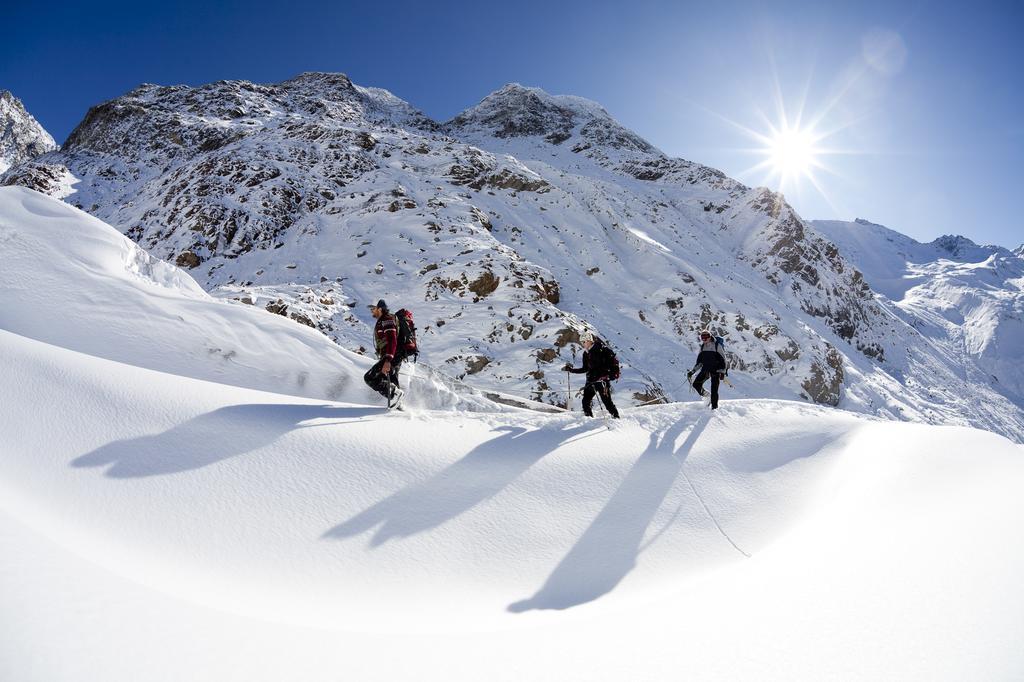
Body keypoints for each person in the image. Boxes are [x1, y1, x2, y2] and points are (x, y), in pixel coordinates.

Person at [564, 332, 620, 418]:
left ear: (589, 341)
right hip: (591, 381)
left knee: (607, 402)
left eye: (584, 341)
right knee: (585, 401)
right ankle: (589, 420)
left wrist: (608, 376)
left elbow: (611, 364)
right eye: (581, 342)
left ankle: (616, 418)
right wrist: (571, 370)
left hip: (602, 381)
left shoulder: (602, 350)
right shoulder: (586, 353)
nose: (582, 344)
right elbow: (585, 369)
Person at [363, 299, 405, 407]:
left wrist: (388, 360)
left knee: (369, 378)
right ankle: (398, 406)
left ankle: (395, 395)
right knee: (392, 379)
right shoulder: (385, 320)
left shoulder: (387, 319)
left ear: (380, 309)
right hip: (395, 355)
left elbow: (392, 339)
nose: (372, 311)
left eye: (373, 309)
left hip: (392, 356)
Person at [687, 329, 727, 410]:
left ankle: (714, 408)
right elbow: (699, 362)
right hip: (705, 369)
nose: (704, 339)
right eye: (702, 337)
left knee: (714, 390)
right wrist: (693, 371)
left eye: (706, 337)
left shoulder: (716, 345)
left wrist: (722, 372)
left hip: (716, 371)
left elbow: (723, 359)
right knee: (696, 384)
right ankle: (707, 396)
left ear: (710, 336)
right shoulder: (703, 347)